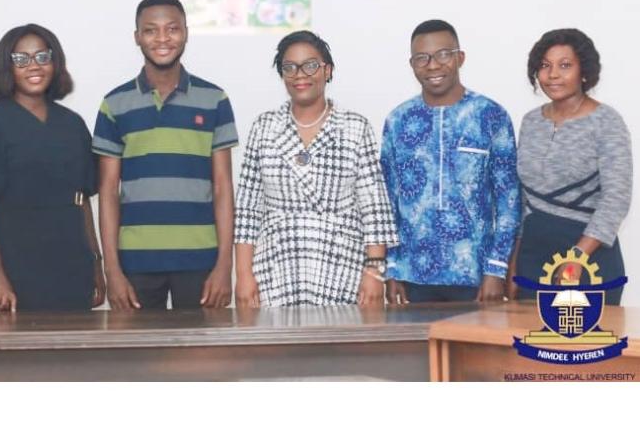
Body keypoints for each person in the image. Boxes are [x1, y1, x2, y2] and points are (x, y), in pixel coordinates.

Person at [0, 24, 105, 312]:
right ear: (7, 67)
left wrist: (96, 263)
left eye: (43, 57)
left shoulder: (72, 124)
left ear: (55, 63)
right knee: (15, 356)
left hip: (71, 264)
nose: (34, 66)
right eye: (21, 59)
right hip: (14, 267)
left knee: (75, 355)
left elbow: (82, 200)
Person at [92, 0, 238, 310]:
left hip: (201, 259)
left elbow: (223, 187)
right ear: (137, 37)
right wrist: (112, 269)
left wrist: (225, 265)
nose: (162, 38)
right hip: (135, 263)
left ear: (185, 33)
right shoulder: (114, 104)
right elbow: (107, 192)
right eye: (150, 30)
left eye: (172, 29)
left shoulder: (214, 99)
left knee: (202, 359)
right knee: (140, 359)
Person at [234, 31, 398, 307]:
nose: (300, 74)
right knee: (277, 348)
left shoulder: (355, 127)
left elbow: (375, 208)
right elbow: (248, 210)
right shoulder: (264, 127)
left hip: (343, 268)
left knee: (338, 348)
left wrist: (375, 273)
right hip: (276, 270)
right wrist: (243, 274)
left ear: (327, 70)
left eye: (310, 65)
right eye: (290, 67)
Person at [380, 19, 520, 304]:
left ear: (460, 58)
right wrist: (391, 268)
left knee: (473, 350)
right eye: (422, 58)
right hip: (412, 277)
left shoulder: (490, 115)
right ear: (412, 64)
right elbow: (387, 200)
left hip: (476, 275)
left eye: (443, 55)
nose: (432, 65)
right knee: (416, 351)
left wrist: (497, 268)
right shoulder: (398, 120)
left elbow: (509, 198)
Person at [509, 28, 631, 305]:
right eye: (545, 65)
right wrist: (514, 260)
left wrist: (576, 257)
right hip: (533, 253)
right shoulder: (531, 122)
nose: (553, 74)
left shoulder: (606, 122)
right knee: (531, 346)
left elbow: (616, 199)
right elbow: (523, 199)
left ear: (584, 71)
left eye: (565, 65)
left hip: (588, 258)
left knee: (582, 346)